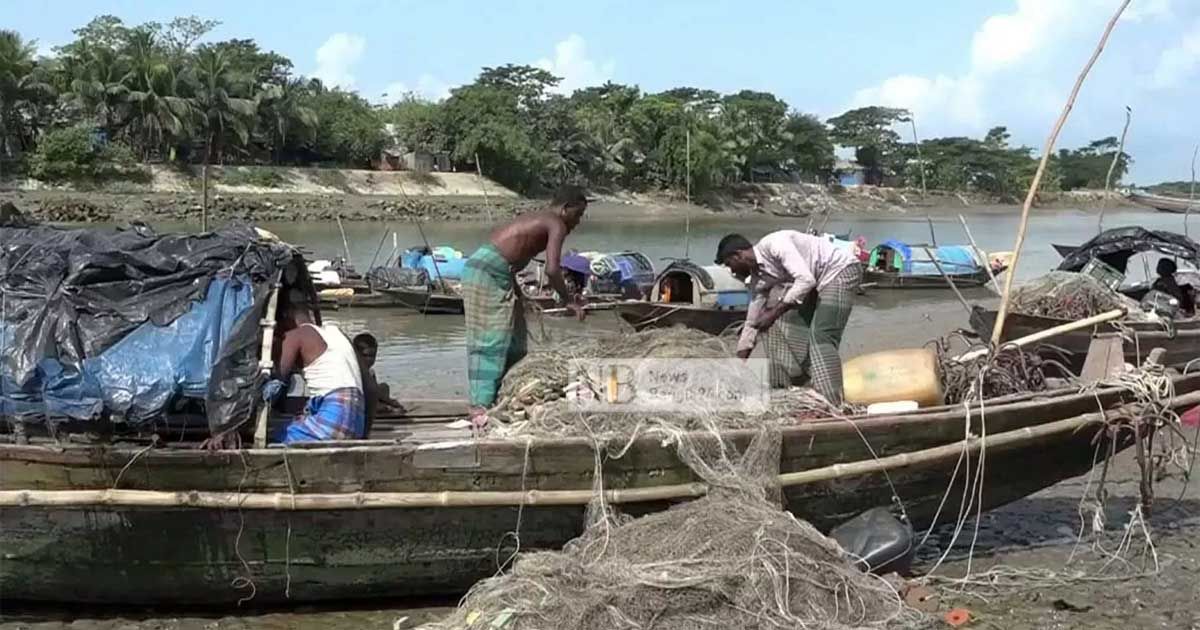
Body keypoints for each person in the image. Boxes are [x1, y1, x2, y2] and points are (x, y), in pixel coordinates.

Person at [463, 185, 589, 425]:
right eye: (578, 214)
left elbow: (511, 256)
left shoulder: (544, 219)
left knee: (516, 339)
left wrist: (519, 293)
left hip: (500, 274)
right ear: (565, 209)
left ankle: (505, 395)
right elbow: (552, 270)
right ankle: (479, 407)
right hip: (486, 272)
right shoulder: (556, 223)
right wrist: (569, 301)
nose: (578, 222)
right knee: (491, 338)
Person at [716, 230, 861, 404]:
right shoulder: (758, 279)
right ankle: (798, 385)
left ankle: (833, 402)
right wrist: (739, 362)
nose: (731, 270)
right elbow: (752, 323)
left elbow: (806, 280)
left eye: (729, 263)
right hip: (816, 281)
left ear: (738, 255)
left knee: (821, 338)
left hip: (840, 271)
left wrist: (773, 312)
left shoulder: (775, 244)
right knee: (781, 326)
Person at [270, 298, 365, 442]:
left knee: (273, 434)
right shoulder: (337, 333)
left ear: (286, 316)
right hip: (357, 424)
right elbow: (370, 388)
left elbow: (275, 383)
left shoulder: (297, 335)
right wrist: (363, 435)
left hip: (335, 420)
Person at [353, 333, 405, 436]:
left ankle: (383, 406)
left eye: (373, 356)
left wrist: (391, 402)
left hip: (371, 398)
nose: (370, 360)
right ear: (356, 354)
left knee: (384, 387)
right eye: (366, 355)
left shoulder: (370, 372)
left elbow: (376, 391)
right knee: (383, 406)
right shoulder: (354, 373)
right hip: (360, 405)